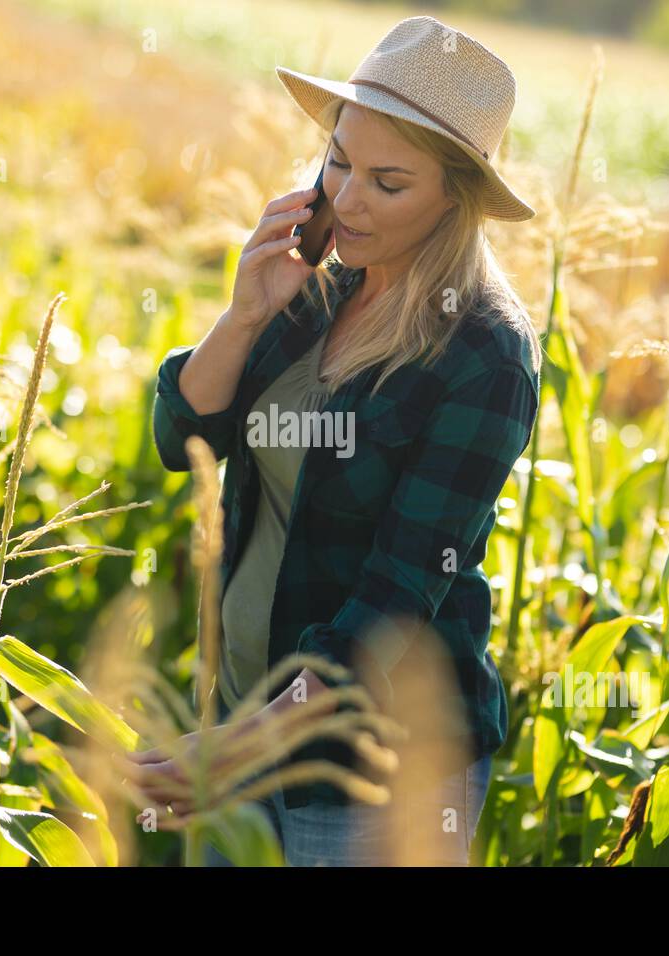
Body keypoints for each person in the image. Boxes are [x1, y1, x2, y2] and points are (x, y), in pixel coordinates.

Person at [132, 14, 542, 866]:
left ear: (455, 200)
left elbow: (394, 603)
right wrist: (245, 312)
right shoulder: (316, 282)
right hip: (244, 720)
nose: (348, 199)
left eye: (388, 183)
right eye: (339, 162)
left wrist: (240, 747)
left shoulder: (483, 356)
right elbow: (182, 436)